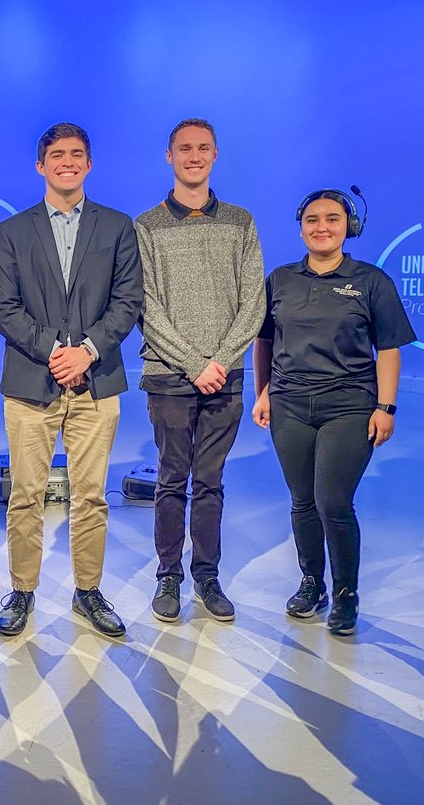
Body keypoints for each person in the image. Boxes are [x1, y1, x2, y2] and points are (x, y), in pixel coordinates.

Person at [0, 122, 143, 639]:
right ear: (41, 165)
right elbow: (6, 310)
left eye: (77, 154)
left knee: (92, 496)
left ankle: (88, 591)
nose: (67, 162)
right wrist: (58, 352)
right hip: (32, 383)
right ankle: (22, 591)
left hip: (97, 382)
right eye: (57, 155)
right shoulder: (12, 233)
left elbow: (128, 301)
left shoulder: (118, 227)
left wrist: (88, 352)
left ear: (89, 164)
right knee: (25, 495)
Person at [252, 189, 415, 635]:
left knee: (333, 502)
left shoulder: (371, 281)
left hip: (349, 404)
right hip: (289, 404)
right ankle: (312, 583)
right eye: (312, 219)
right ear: (300, 225)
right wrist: (262, 391)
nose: (321, 227)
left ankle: (346, 594)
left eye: (332, 219)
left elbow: (389, 348)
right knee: (302, 501)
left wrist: (386, 406)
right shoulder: (280, 279)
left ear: (349, 226)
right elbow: (264, 340)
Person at [134, 118, 265, 624]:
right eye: (184, 149)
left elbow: (253, 301)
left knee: (210, 482)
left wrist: (220, 362)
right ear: (169, 156)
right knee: (172, 479)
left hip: (224, 377)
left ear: (216, 154)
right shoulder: (146, 226)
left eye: (203, 148)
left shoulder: (240, 222)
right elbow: (145, 305)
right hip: (170, 375)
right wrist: (194, 364)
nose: (194, 156)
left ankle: (207, 575)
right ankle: (169, 576)